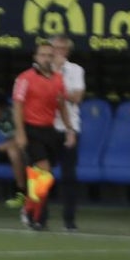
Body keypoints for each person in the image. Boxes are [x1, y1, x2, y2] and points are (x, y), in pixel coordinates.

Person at [12, 40, 76, 231]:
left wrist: (69, 129)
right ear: (35, 57)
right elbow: (17, 107)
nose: (46, 58)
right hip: (31, 128)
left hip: (48, 130)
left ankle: (30, 211)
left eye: (50, 55)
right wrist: (20, 133)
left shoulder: (57, 79)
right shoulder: (25, 78)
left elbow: (62, 106)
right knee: (43, 171)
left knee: (42, 177)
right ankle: (36, 216)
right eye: (43, 55)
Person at [51, 35, 86, 231]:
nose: (59, 53)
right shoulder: (39, 70)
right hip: (46, 127)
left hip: (69, 127)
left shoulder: (75, 70)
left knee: (69, 176)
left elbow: (77, 98)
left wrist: (57, 85)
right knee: (41, 174)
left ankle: (69, 220)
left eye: (63, 49)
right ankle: (38, 216)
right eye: (56, 48)